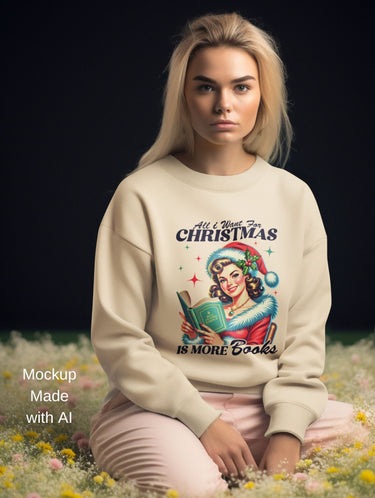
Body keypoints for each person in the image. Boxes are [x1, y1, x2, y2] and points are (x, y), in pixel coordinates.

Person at [89, 12, 360, 497]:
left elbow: (303, 333)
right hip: (161, 409)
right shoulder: (140, 194)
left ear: (262, 96)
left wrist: (287, 432)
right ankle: (161, 450)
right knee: (195, 488)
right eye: (205, 87)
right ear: (183, 96)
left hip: (265, 407)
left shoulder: (294, 197)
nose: (223, 105)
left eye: (241, 87)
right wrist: (204, 421)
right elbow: (119, 339)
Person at [180, 243, 278, 346]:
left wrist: (222, 345)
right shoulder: (216, 310)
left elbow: (254, 352)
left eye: (235, 275)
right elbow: (203, 346)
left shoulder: (260, 314)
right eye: (223, 280)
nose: (229, 284)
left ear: (247, 275)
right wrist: (193, 335)